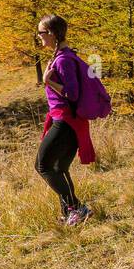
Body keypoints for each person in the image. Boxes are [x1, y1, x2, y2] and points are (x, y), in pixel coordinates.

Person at [35, 14, 93, 226]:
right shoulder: (63, 55)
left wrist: (48, 82)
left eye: (41, 32)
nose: (38, 36)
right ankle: (71, 213)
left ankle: (77, 207)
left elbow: (73, 94)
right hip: (69, 121)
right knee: (59, 168)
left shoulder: (64, 60)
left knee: (43, 165)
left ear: (51, 33)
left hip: (66, 122)